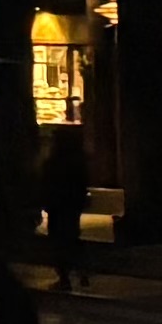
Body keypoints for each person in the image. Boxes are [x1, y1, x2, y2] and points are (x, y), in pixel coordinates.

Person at [34, 122, 96, 288]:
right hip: (71, 204)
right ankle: (81, 271)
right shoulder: (78, 160)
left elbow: (46, 182)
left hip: (58, 204)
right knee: (72, 237)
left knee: (58, 240)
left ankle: (64, 276)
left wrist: (44, 200)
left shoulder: (55, 161)